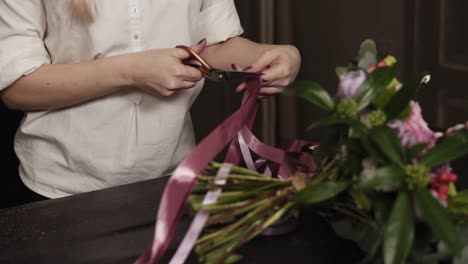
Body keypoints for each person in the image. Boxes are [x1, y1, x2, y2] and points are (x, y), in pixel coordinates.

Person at [0, 0, 301, 203]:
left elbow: (213, 48)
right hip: (61, 190)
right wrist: (131, 71)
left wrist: (279, 56)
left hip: (170, 181)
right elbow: (17, 87)